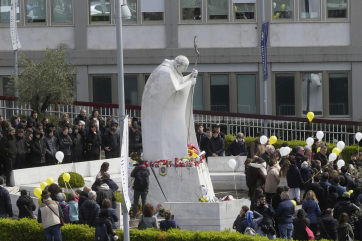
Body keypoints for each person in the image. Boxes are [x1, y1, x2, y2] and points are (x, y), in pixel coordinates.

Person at [142, 55, 198, 161]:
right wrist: (190, 82)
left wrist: (190, 76)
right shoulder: (166, 72)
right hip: (158, 115)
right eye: (184, 68)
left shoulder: (172, 69)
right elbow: (176, 89)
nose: (184, 70)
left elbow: (179, 82)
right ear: (177, 65)